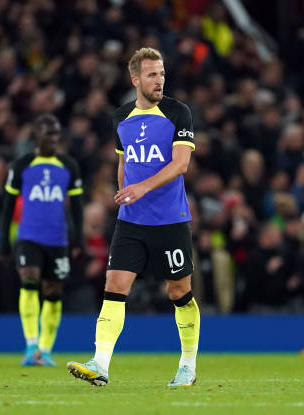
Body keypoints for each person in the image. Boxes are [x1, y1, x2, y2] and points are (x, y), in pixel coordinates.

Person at [67, 48, 198, 387]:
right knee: (114, 286)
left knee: (179, 290)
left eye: (162, 73)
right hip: (131, 221)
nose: (160, 81)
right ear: (135, 79)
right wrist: (124, 189)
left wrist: (141, 188)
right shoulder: (121, 117)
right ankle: (100, 363)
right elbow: (123, 161)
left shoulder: (177, 113)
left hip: (170, 218)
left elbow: (181, 164)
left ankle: (187, 365)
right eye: (152, 74)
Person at [0, 113, 84, 367]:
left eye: (57, 134)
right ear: (36, 134)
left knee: (53, 292)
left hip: (57, 239)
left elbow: (77, 207)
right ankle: (30, 345)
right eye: (49, 133)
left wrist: (78, 240)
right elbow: (7, 206)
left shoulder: (69, 165)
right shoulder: (22, 165)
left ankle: (45, 350)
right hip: (29, 236)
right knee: (28, 280)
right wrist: (5, 242)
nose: (54, 138)